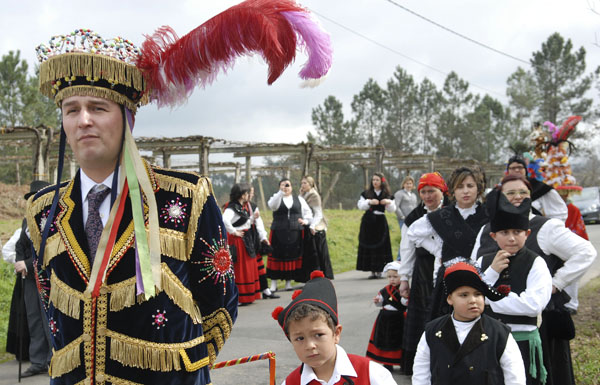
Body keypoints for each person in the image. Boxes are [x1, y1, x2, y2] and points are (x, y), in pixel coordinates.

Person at [471, 174, 596, 385]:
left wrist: (557, 283)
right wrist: (490, 272)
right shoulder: (485, 234)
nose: (511, 238)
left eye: (523, 192)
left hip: (530, 331)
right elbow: (473, 283)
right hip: (490, 336)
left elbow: (585, 253)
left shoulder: (544, 231)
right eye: (510, 192)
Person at [476, 191, 552, 385]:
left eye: (517, 232)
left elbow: (533, 305)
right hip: (488, 341)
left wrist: (489, 299)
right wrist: (492, 272)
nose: (511, 238)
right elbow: (470, 296)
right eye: (504, 233)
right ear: (493, 236)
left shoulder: (536, 263)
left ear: (527, 234)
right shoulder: (483, 262)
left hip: (523, 343)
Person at [272, 271, 397, 385]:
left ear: (336, 334)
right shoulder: (291, 383)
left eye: (318, 335)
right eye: (299, 338)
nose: (310, 345)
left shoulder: (371, 373)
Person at [412, 261, 526, 385]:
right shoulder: (433, 330)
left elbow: (515, 376)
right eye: (464, 295)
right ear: (450, 298)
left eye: (478, 294)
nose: (472, 300)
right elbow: (421, 373)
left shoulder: (499, 333)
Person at [406, 167, 488, 320]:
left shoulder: (487, 215)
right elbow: (413, 232)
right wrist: (439, 251)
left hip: (480, 277)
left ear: (479, 188)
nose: (465, 191)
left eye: (470, 186)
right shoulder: (443, 215)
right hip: (449, 278)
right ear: (452, 191)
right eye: (460, 187)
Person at [398, 172, 448, 375]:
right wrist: (404, 279)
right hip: (422, 273)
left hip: (448, 270)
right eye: (423, 192)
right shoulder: (414, 217)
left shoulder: (452, 213)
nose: (428, 196)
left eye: (432, 191)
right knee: (422, 317)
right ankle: (421, 365)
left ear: (441, 191)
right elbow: (407, 249)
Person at [13, 181, 54, 377]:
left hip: (47, 277)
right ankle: (37, 361)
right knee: (34, 319)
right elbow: (20, 245)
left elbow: (47, 250)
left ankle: (53, 360)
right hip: (30, 278)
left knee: (49, 320)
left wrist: (27, 264)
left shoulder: (53, 219)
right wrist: (19, 261)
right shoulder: (26, 221)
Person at [267, 178, 313, 292]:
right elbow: (272, 206)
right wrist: (280, 192)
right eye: (283, 185)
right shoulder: (276, 198)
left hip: (294, 231)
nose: (286, 187)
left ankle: (288, 282)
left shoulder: (299, 200)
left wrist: (306, 221)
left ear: (292, 187)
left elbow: (308, 213)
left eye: (288, 185)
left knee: (291, 256)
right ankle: (274, 283)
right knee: (276, 255)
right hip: (278, 231)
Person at [223, 183, 262, 305]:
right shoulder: (232, 207)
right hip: (238, 241)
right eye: (245, 193)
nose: (247, 195)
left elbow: (244, 223)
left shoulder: (240, 206)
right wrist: (233, 231)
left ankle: (248, 296)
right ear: (241, 195)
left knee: (248, 266)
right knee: (240, 268)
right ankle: (240, 297)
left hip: (245, 239)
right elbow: (224, 220)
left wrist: (252, 219)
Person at [366, 261, 407, 371]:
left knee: (398, 341)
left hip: (398, 319)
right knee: (385, 340)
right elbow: (380, 303)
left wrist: (405, 298)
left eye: (395, 276)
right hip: (385, 319)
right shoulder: (384, 290)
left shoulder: (404, 290)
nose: (392, 279)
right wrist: (377, 301)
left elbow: (405, 304)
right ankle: (387, 362)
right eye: (389, 277)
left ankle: (400, 361)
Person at [357, 172, 397, 279]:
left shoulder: (387, 194)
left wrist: (388, 202)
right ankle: (372, 270)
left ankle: (380, 270)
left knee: (382, 245)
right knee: (369, 244)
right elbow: (360, 206)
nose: (375, 182)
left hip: (380, 222)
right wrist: (369, 202)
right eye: (373, 180)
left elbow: (392, 209)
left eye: (377, 180)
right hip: (368, 222)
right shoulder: (366, 193)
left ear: (382, 181)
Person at [506, 155, 567, 222]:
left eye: (520, 167)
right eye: (512, 168)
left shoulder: (541, 188)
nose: (516, 170)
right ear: (508, 171)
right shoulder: (502, 190)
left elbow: (559, 214)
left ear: (525, 170)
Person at [245, 185, 279, 299]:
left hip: (253, 239)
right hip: (243, 239)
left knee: (259, 266)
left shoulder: (253, 206)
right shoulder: (235, 207)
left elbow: (259, 224)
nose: (252, 195)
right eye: (250, 192)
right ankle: (251, 291)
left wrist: (263, 237)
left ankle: (265, 289)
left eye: (252, 192)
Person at [299, 175, 334, 280]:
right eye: (302, 183)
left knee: (318, 253)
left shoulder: (314, 195)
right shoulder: (304, 195)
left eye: (305, 183)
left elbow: (318, 213)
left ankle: (323, 275)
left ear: (311, 184)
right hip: (308, 224)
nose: (303, 185)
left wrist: (312, 226)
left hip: (316, 226)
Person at [393, 176, 418, 249]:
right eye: (407, 183)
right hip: (403, 220)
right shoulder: (399, 193)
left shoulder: (413, 195)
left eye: (410, 183)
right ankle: (399, 258)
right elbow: (396, 206)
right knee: (404, 238)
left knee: (412, 239)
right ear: (403, 184)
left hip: (413, 220)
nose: (409, 185)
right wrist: (402, 216)